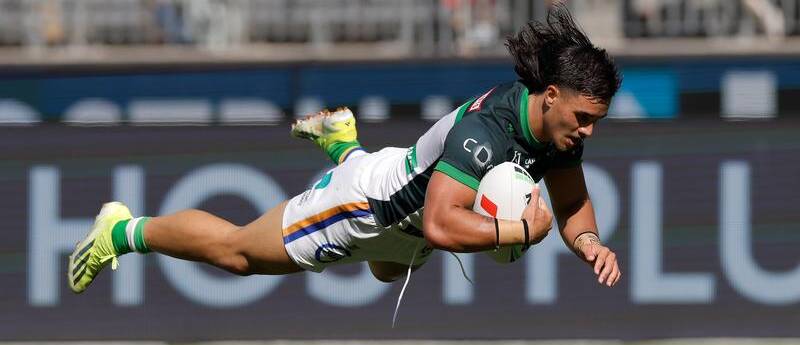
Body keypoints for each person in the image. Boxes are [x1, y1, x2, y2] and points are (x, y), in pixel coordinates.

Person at [68, 3, 621, 295]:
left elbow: (571, 203)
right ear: (550, 96)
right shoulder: (487, 133)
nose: (588, 132)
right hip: (367, 209)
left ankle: (343, 144)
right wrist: (519, 230)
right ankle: (121, 231)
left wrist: (590, 242)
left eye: (596, 121)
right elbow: (440, 224)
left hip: (402, 210)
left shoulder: (557, 129)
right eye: (583, 118)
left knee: (386, 273)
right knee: (236, 254)